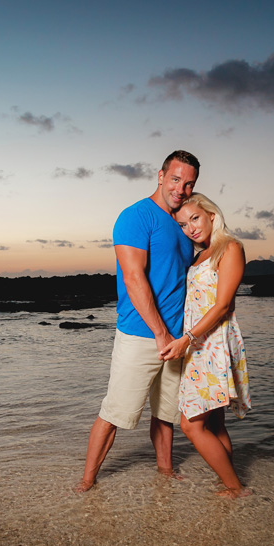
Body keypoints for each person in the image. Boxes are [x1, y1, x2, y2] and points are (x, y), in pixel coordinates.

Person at [74, 150, 200, 493]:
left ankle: (165, 473)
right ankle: (86, 483)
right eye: (175, 179)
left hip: (176, 338)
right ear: (160, 176)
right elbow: (133, 278)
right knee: (115, 412)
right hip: (141, 335)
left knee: (166, 414)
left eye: (189, 184)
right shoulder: (135, 217)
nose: (181, 189)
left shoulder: (181, 224)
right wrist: (160, 333)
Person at [159, 193, 252, 498]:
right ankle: (229, 481)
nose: (191, 228)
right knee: (214, 423)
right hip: (199, 343)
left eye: (195, 219)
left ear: (211, 214)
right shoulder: (200, 254)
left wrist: (186, 340)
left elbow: (223, 304)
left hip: (212, 344)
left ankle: (234, 487)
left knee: (190, 425)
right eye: (184, 225)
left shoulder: (230, 248)